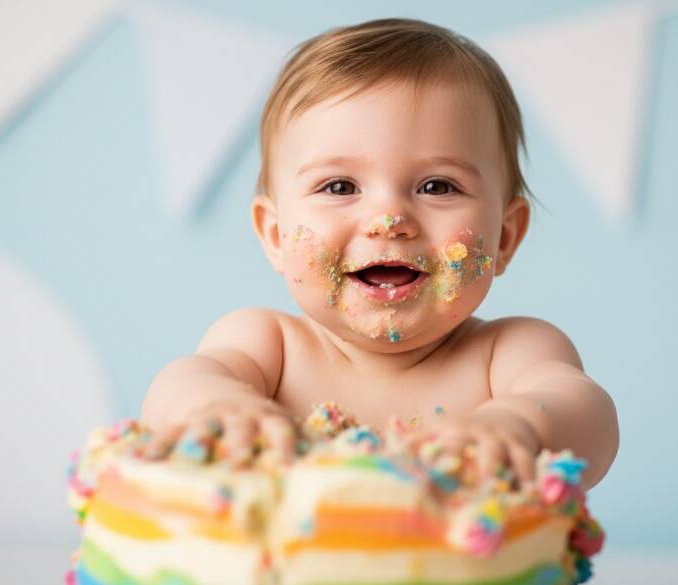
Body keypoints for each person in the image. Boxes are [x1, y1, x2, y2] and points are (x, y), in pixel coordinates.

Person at [142, 18, 619, 490]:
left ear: (504, 238)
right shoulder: (269, 346)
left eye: (437, 186)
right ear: (275, 236)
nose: (389, 219)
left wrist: (520, 425)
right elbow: (181, 385)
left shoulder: (508, 354)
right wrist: (218, 406)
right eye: (340, 186)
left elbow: (586, 412)